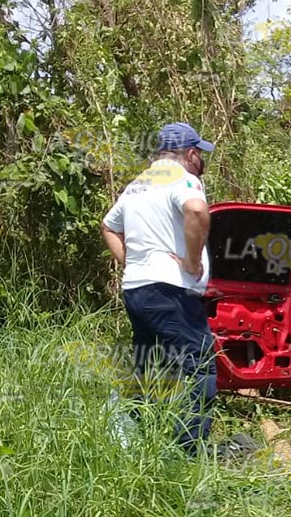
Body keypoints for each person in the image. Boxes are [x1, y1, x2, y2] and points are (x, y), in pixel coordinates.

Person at [100, 122, 218, 454]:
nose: (201, 162)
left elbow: (108, 227)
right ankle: (188, 453)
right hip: (171, 290)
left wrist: (132, 262)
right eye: (200, 154)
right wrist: (193, 263)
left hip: (137, 289)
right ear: (191, 154)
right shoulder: (184, 178)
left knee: (148, 364)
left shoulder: (138, 184)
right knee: (198, 365)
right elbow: (196, 210)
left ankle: (132, 441)